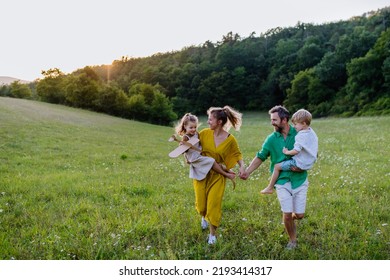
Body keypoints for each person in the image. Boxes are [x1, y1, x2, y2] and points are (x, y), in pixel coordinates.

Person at [240, 105, 310, 250]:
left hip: (300, 179)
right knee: (287, 213)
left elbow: (311, 152)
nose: (272, 122)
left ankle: (288, 218)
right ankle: (292, 240)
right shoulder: (271, 139)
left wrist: (304, 166)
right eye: (271, 119)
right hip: (281, 181)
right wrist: (247, 171)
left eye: (274, 119)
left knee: (300, 215)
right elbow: (260, 157)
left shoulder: (300, 134)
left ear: (284, 120)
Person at [193, 106, 245, 245]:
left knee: (214, 205)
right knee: (202, 206)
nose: (208, 121)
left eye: (210, 119)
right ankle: (203, 216)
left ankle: (212, 235)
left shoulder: (230, 139)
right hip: (201, 173)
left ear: (219, 122)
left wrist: (242, 166)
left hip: (218, 175)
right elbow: (190, 142)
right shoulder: (203, 134)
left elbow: (237, 154)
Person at [260, 109, 318, 195]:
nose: (294, 126)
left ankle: (270, 187)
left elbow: (296, 151)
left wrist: (287, 152)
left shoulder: (300, 136)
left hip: (298, 163)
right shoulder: (312, 133)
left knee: (276, 167)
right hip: (309, 163)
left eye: (296, 124)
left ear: (304, 123)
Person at [174, 113, 236, 183]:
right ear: (185, 126)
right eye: (191, 128)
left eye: (195, 127)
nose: (193, 129)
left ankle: (228, 170)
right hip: (194, 158)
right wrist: (183, 147)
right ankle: (226, 174)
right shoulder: (186, 137)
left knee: (215, 162)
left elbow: (200, 143)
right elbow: (183, 152)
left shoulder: (196, 133)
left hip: (199, 154)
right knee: (212, 161)